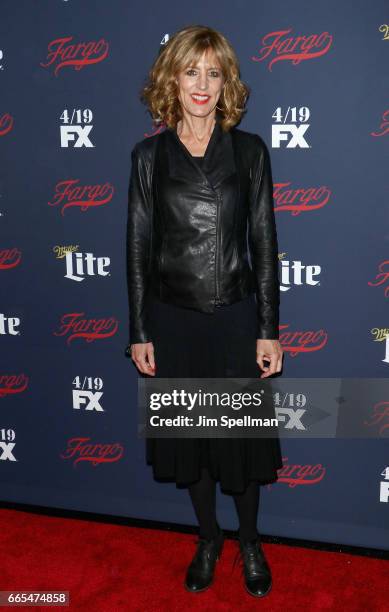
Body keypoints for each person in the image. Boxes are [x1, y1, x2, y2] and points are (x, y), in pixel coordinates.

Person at [125, 24, 284, 598]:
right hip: (174, 321)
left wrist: (268, 328)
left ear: (226, 83)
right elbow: (138, 248)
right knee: (192, 446)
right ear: (173, 78)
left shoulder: (249, 151)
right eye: (191, 71)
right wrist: (139, 329)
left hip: (236, 318)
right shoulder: (148, 156)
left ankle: (249, 539)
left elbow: (265, 243)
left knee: (238, 442)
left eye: (213, 73)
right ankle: (209, 536)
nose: (202, 84)